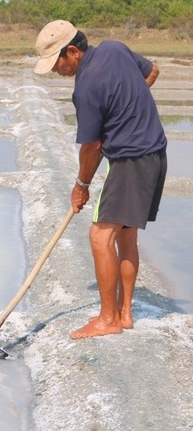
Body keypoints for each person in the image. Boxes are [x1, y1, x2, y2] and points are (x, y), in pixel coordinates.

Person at [33, 20, 168, 339]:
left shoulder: (86, 89)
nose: (55, 71)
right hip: (155, 155)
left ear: (73, 51)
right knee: (125, 237)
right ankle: (124, 314)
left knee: (99, 237)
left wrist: (81, 186)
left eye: (57, 63)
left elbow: (92, 146)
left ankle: (108, 319)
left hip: (131, 161)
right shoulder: (114, 48)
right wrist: (127, 110)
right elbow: (153, 71)